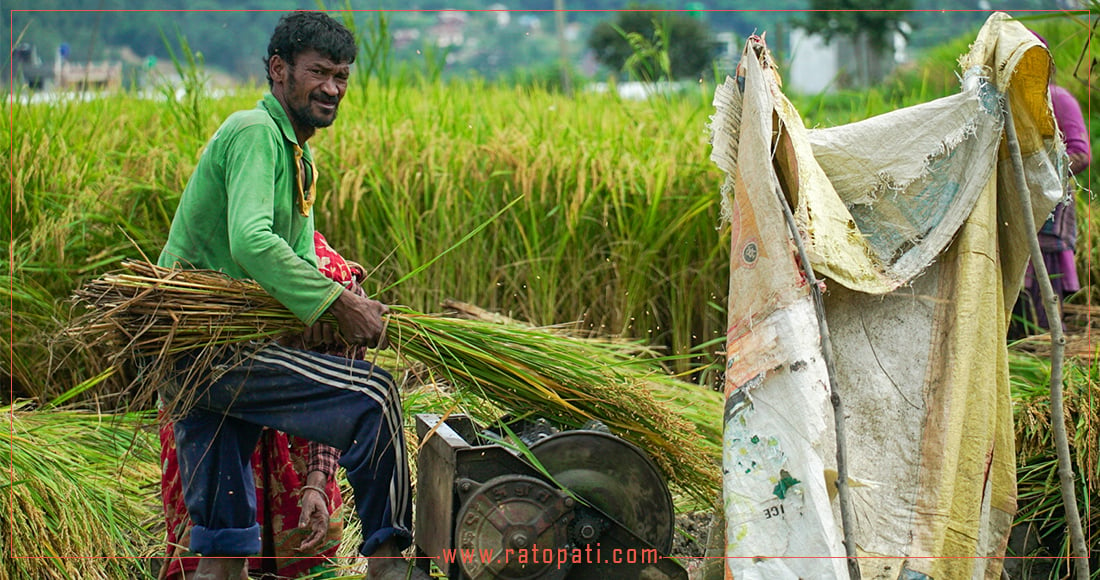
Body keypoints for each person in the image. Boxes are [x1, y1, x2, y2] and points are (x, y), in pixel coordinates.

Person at [156, 11, 428, 580]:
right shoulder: (256, 132)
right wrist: (340, 305)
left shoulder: (300, 160)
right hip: (208, 351)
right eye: (319, 72)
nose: (332, 88)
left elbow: (300, 260)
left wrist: (332, 303)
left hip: (207, 360)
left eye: (342, 76)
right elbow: (251, 239)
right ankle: (392, 566)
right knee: (375, 398)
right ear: (279, 71)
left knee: (224, 551)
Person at [159, 233, 363, 580]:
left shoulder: (331, 278)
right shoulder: (209, 270)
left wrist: (316, 481)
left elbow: (340, 390)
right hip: (213, 418)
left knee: (303, 550)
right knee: (215, 549)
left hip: (293, 433)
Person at [1011, 32, 1092, 336]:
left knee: (1044, 293)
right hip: (1013, 212)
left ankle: (1042, 352)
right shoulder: (1006, 105)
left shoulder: (1057, 99)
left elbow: (1081, 154)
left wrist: (1035, 174)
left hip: (1048, 209)